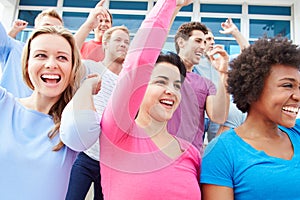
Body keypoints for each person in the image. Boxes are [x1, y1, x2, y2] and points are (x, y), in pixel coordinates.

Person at [61, 0, 201, 199]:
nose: (171, 91)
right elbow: (141, 59)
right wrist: (170, 4)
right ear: (140, 88)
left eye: (176, 85)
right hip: (89, 157)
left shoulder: (191, 153)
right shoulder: (119, 133)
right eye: (160, 82)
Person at [0, 25, 101, 199]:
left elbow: (83, 131)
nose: (51, 64)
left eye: (62, 58)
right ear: (26, 64)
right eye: (41, 55)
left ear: (72, 68)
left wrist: (86, 87)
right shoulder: (4, 103)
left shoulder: (71, 125)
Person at [200, 36, 300, 200]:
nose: (297, 96)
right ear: (254, 88)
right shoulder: (222, 152)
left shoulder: (297, 132)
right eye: (288, 85)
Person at [65, 25, 130, 200]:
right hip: (84, 155)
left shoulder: (129, 83)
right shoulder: (89, 68)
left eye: (127, 42)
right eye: (118, 40)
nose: (123, 45)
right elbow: (70, 53)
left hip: (111, 163)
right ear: (105, 44)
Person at [167, 21, 230, 152]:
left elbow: (219, 117)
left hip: (190, 156)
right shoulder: (162, 73)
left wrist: (223, 74)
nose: (202, 47)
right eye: (198, 41)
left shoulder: (206, 84)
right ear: (181, 42)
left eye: (204, 43)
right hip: (159, 153)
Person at [193, 18, 249, 141]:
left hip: (223, 114)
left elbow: (248, 55)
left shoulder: (224, 60)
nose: (212, 42)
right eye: (208, 39)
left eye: (213, 39)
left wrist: (235, 33)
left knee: (217, 147)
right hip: (201, 115)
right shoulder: (194, 64)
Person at [0, 9, 63, 98]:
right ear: (35, 29)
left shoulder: (60, 62)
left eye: (58, 29)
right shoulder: (16, 48)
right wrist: (13, 31)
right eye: (46, 26)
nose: (52, 31)